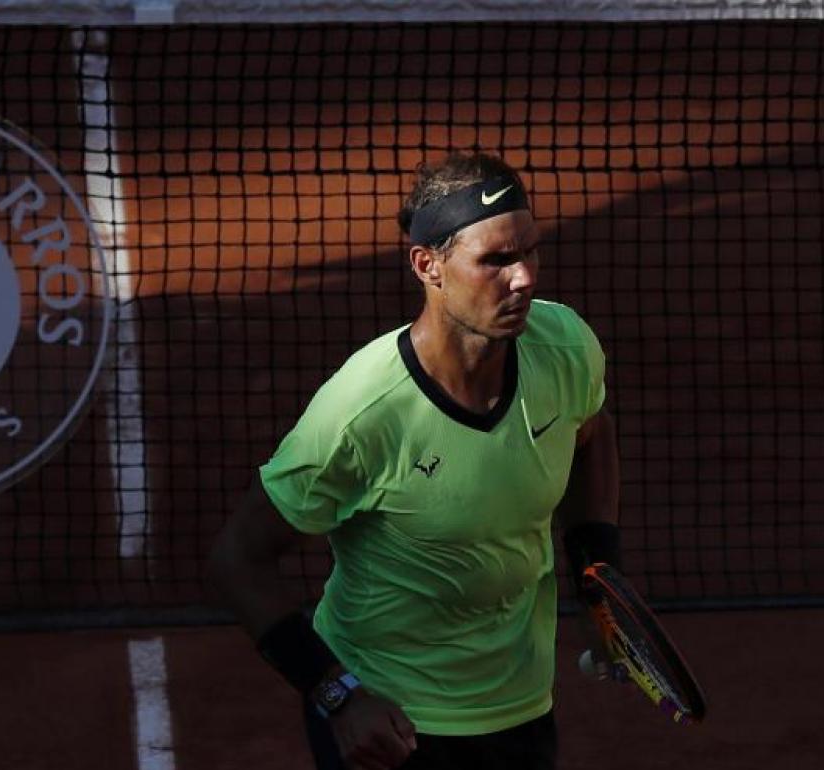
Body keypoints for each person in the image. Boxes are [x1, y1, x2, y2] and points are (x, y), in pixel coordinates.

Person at [206, 150, 622, 770]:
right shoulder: (361, 414)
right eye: (496, 260)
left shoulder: (563, 346)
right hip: (391, 726)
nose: (525, 278)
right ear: (428, 265)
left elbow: (591, 433)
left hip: (521, 708)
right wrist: (339, 698)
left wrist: (597, 581)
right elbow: (237, 560)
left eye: (530, 251)